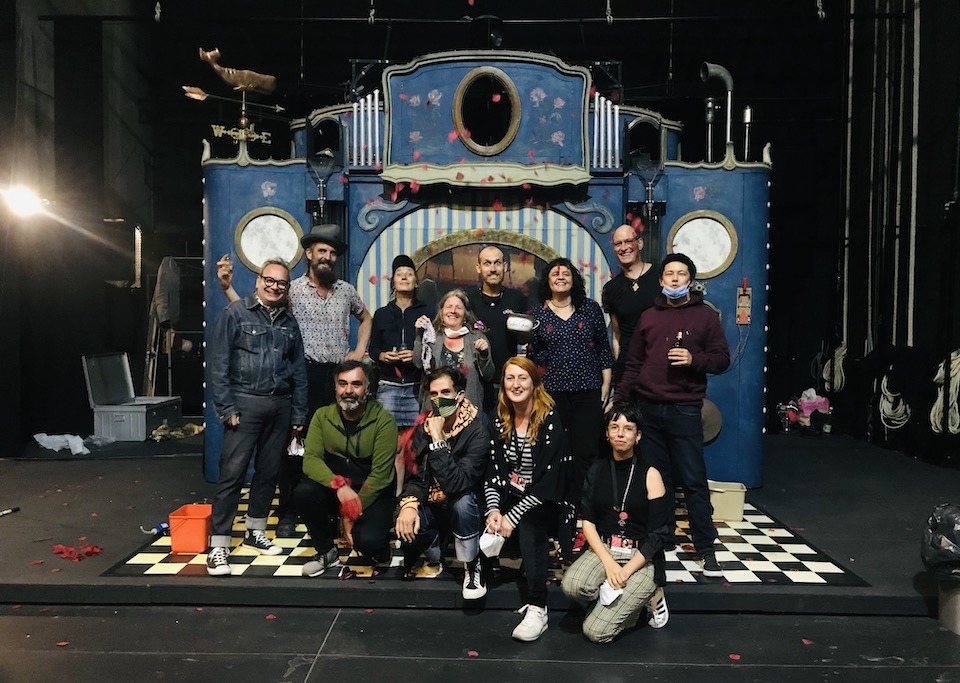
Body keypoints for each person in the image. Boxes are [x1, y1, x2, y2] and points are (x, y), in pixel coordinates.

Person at [217, 223, 373, 537]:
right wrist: (226, 289)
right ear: (309, 254)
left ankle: (329, 509)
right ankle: (287, 511)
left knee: (334, 446)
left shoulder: (346, 291)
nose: (327, 257)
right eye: (322, 251)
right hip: (302, 377)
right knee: (293, 448)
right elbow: (254, 312)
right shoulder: (292, 289)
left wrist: (359, 351)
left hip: (337, 378)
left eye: (332, 252)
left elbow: (365, 317)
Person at [614, 253, 731, 578]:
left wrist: (694, 360)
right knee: (656, 479)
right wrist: (620, 400)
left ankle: (705, 548)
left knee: (693, 480)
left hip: (684, 409)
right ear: (661, 280)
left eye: (681, 274)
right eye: (669, 274)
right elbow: (634, 363)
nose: (675, 279)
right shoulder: (649, 316)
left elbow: (722, 359)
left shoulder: (705, 316)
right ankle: (661, 539)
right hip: (648, 409)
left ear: (690, 281)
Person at [206, 259, 308, 576]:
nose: (275, 286)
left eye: (282, 283)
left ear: (287, 288)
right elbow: (218, 365)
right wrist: (227, 408)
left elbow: (299, 372)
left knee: (268, 473)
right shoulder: (235, 314)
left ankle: (255, 531)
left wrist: (298, 414)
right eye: (270, 280)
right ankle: (219, 546)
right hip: (244, 404)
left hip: (280, 406)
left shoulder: (290, 322)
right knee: (232, 475)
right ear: (258, 280)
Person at [561, 402, 672, 642]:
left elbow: (658, 534)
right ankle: (615, 599)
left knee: (595, 632)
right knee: (572, 585)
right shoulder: (596, 470)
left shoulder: (651, 474)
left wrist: (625, 571)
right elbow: (588, 522)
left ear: (638, 435)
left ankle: (649, 597)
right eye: (614, 427)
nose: (620, 433)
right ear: (607, 433)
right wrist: (609, 564)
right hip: (606, 548)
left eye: (628, 428)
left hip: (641, 556)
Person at [526, 257, 613, 550]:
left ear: (574, 278)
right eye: (555, 273)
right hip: (552, 394)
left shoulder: (590, 308)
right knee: (555, 456)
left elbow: (603, 350)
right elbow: (532, 356)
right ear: (547, 281)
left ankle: (586, 519)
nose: (561, 276)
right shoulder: (537, 314)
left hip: (588, 391)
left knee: (586, 456)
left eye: (566, 273)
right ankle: (558, 519)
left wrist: (606, 385)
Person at [485, 356, 569, 642]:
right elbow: (494, 472)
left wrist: (512, 517)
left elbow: (548, 484)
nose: (516, 384)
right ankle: (478, 575)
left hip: (545, 500)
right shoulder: (499, 417)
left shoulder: (549, 419)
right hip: (512, 494)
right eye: (510, 378)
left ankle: (538, 606)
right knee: (477, 508)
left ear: (534, 384)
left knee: (531, 524)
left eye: (523, 378)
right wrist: (494, 510)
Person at [293, 360, 398, 576]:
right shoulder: (322, 416)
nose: (348, 390)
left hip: (372, 492)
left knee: (369, 545)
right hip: (338, 490)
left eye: (356, 384)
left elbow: (381, 475)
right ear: (335, 387)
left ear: (367, 388)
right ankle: (326, 552)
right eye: (342, 384)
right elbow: (311, 460)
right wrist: (339, 486)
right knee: (304, 492)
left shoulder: (384, 421)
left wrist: (350, 513)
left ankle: (378, 544)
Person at [395, 366, 490, 599]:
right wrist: (409, 506)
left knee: (462, 502)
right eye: (434, 394)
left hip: (467, 509)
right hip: (434, 504)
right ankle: (436, 548)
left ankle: (472, 564)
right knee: (401, 513)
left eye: (446, 393)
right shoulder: (424, 428)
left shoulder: (477, 430)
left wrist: (438, 440)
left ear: (460, 395)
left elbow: (457, 483)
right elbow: (417, 478)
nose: (439, 400)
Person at [369, 254, 429, 428]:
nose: (404, 277)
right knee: (385, 436)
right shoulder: (381, 314)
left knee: (417, 438)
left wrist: (416, 355)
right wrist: (382, 356)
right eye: (399, 274)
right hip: (388, 386)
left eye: (409, 274)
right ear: (393, 283)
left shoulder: (428, 312)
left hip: (417, 387)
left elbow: (435, 347)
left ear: (416, 283)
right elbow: (373, 348)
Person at [413, 288, 495, 411]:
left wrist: (484, 355)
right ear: (442, 312)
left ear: (465, 314)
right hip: (436, 411)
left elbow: (489, 375)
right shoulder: (431, 338)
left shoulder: (477, 337)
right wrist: (419, 335)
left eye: (458, 307)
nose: (453, 311)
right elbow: (418, 363)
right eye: (449, 306)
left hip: (468, 411)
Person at [601, 223, 661, 387]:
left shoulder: (661, 276)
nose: (623, 248)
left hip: (660, 364)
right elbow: (617, 335)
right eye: (618, 244)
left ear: (639, 243)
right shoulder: (611, 288)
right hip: (629, 368)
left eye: (628, 241)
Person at [473, 245, 528, 412]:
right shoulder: (468, 300)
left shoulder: (517, 299)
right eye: (487, 263)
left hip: (509, 383)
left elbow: (527, 339)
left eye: (497, 263)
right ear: (478, 268)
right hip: (476, 383)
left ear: (505, 267)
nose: (492, 269)